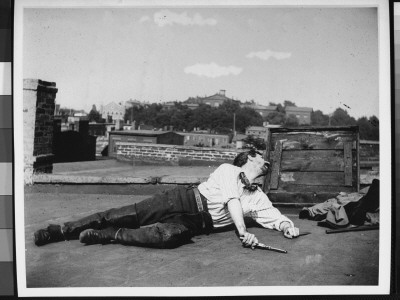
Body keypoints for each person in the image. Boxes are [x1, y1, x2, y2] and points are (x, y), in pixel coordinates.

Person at [34, 148, 299, 249]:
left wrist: (287, 227)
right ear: (251, 158)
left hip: (198, 223)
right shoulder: (230, 170)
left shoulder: (259, 196)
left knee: (166, 237)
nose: (267, 163)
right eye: (263, 158)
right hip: (182, 200)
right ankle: (59, 231)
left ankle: (109, 235)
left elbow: (274, 217)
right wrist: (243, 233)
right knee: (120, 213)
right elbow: (232, 203)